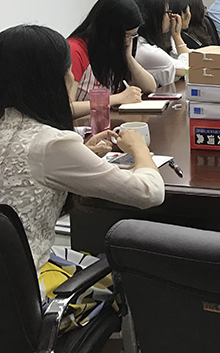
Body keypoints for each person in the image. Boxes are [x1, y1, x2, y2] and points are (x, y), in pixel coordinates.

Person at [0, 25, 165, 272]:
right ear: (56, 80)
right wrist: (139, 147)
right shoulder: (51, 144)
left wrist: (81, 154)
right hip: (27, 283)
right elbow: (150, 193)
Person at [68, 0, 157, 118]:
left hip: (107, 123)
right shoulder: (75, 50)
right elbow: (67, 109)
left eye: (132, 36)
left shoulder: (111, 51)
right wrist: (117, 98)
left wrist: (128, 57)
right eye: (126, 36)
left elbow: (150, 87)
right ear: (109, 32)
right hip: (82, 126)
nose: (128, 42)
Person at [132, 0, 190, 87]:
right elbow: (188, 68)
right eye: (167, 12)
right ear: (156, 17)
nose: (170, 17)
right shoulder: (147, 51)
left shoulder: (140, 42)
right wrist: (177, 37)